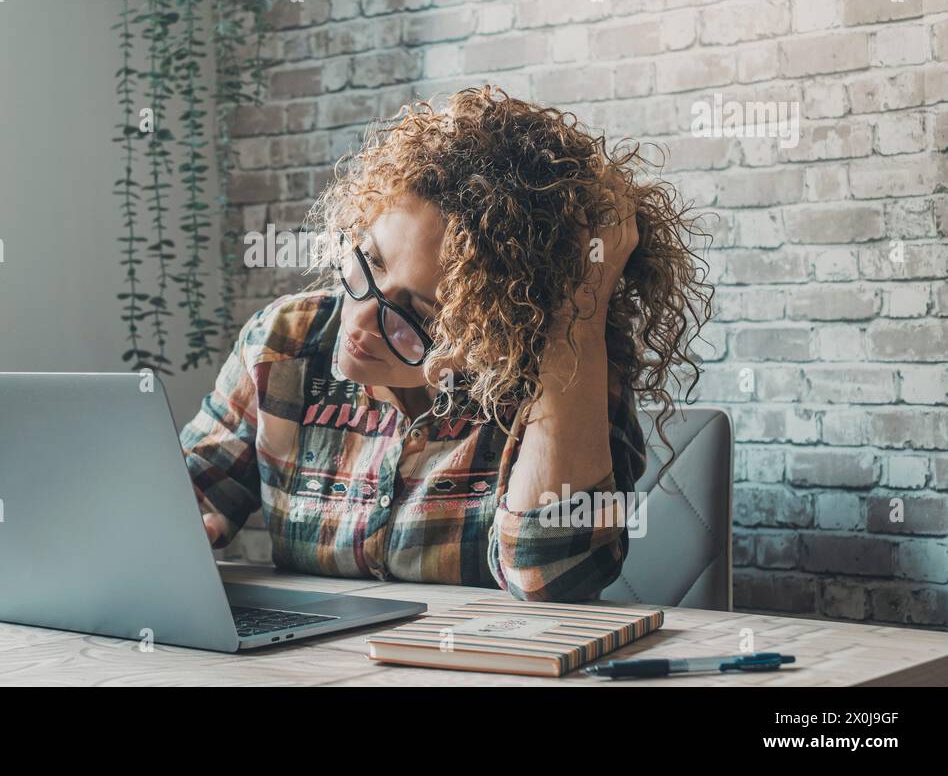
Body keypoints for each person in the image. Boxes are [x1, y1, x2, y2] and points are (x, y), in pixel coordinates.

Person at [180, 85, 713, 602]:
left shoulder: (561, 377)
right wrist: (179, 520)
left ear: (497, 331)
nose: (363, 319)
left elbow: (555, 575)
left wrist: (579, 306)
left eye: (419, 315)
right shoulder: (283, 343)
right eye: (369, 263)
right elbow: (181, 495)